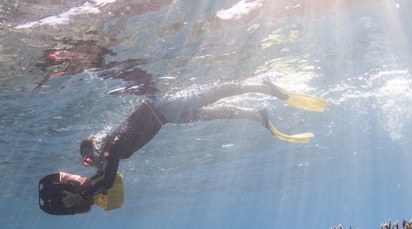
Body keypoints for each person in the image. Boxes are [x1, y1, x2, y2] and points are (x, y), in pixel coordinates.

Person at [62, 79, 328, 207]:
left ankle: (264, 86)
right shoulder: (109, 151)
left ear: (96, 149)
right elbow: (104, 175)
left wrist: (82, 194)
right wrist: (90, 184)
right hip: (166, 117)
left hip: (165, 107)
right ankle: (256, 116)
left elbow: (108, 181)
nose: (90, 164)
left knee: (215, 94)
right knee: (215, 114)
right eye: (87, 162)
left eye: (88, 158)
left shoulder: (114, 146)